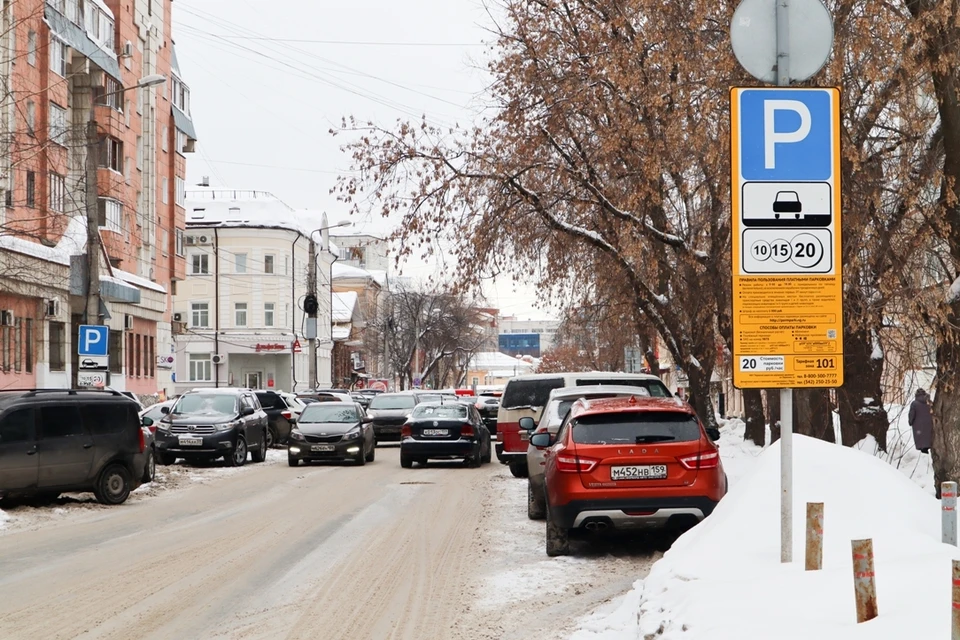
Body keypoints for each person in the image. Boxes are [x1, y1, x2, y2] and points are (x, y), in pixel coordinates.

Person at [908, 388, 933, 454]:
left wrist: (910, 421)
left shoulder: (914, 404)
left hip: (918, 424)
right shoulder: (929, 403)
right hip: (929, 423)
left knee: (920, 436)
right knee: (928, 435)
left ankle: (922, 448)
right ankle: (927, 446)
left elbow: (912, 414)